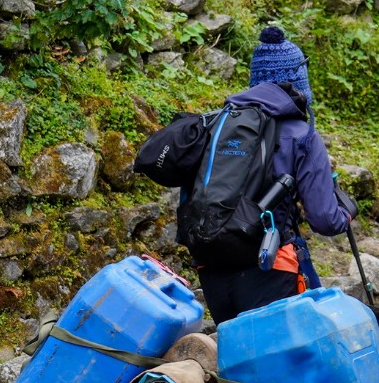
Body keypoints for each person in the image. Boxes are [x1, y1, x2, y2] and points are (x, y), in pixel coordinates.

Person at [139, 25, 355, 323]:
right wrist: (346, 214)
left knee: (235, 365)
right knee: (288, 362)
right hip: (270, 268)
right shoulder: (301, 135)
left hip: (212, 268)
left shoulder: (217, 126)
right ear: (298, 80)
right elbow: (325, 219)